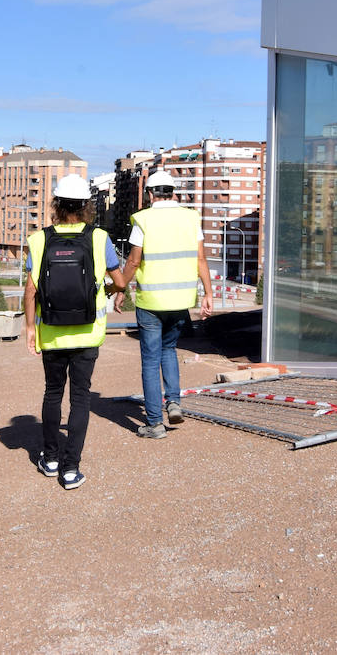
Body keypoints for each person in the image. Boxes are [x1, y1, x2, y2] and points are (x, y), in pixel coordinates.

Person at [23, 174, 128, 490]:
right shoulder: (99, 238)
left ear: (55, 204)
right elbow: (121, 282)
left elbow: (30, 291)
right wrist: (105, 288)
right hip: (87, 332)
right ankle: (71, 470)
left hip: (52, 331)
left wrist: (30, 328)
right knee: (80, 396)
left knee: (53, 392)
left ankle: (50, 458)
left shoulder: (39, 240)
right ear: (86, 205)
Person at [119, 169, 213, 438]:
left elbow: (134, 261)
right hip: (180, 301)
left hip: (151, 302)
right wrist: (208, 293)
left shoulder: (144, 220)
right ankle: (173, 402)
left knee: (150, 361)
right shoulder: (190, 218)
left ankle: (155, 423)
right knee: (169, 350)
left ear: (150, 194)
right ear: (174, 193)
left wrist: (120, 288)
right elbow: (201, 260)